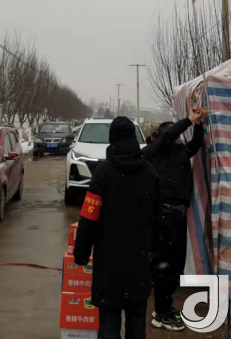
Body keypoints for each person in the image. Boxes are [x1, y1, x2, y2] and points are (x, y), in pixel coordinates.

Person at [74, 116, 159, 339]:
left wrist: (81, 252)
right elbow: (158, 218)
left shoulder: (103, 172)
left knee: (109, 326)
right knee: (137, 326)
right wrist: (156, 256)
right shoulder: (149, 172)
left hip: (108, 263)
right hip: (140, 261)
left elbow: (88, 218)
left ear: (112, 139)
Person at [143, 108, 207, 331]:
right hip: (164, 214)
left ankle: (164, 306)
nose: (179, 136)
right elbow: (170, 135)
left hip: (178, 214)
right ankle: (161, 313)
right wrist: (189, 119)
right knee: (165, 265)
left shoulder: (179, 151)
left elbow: (195, 145)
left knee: (176, 265)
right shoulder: (158, 150)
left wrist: (198, 125)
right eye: (174, 133)